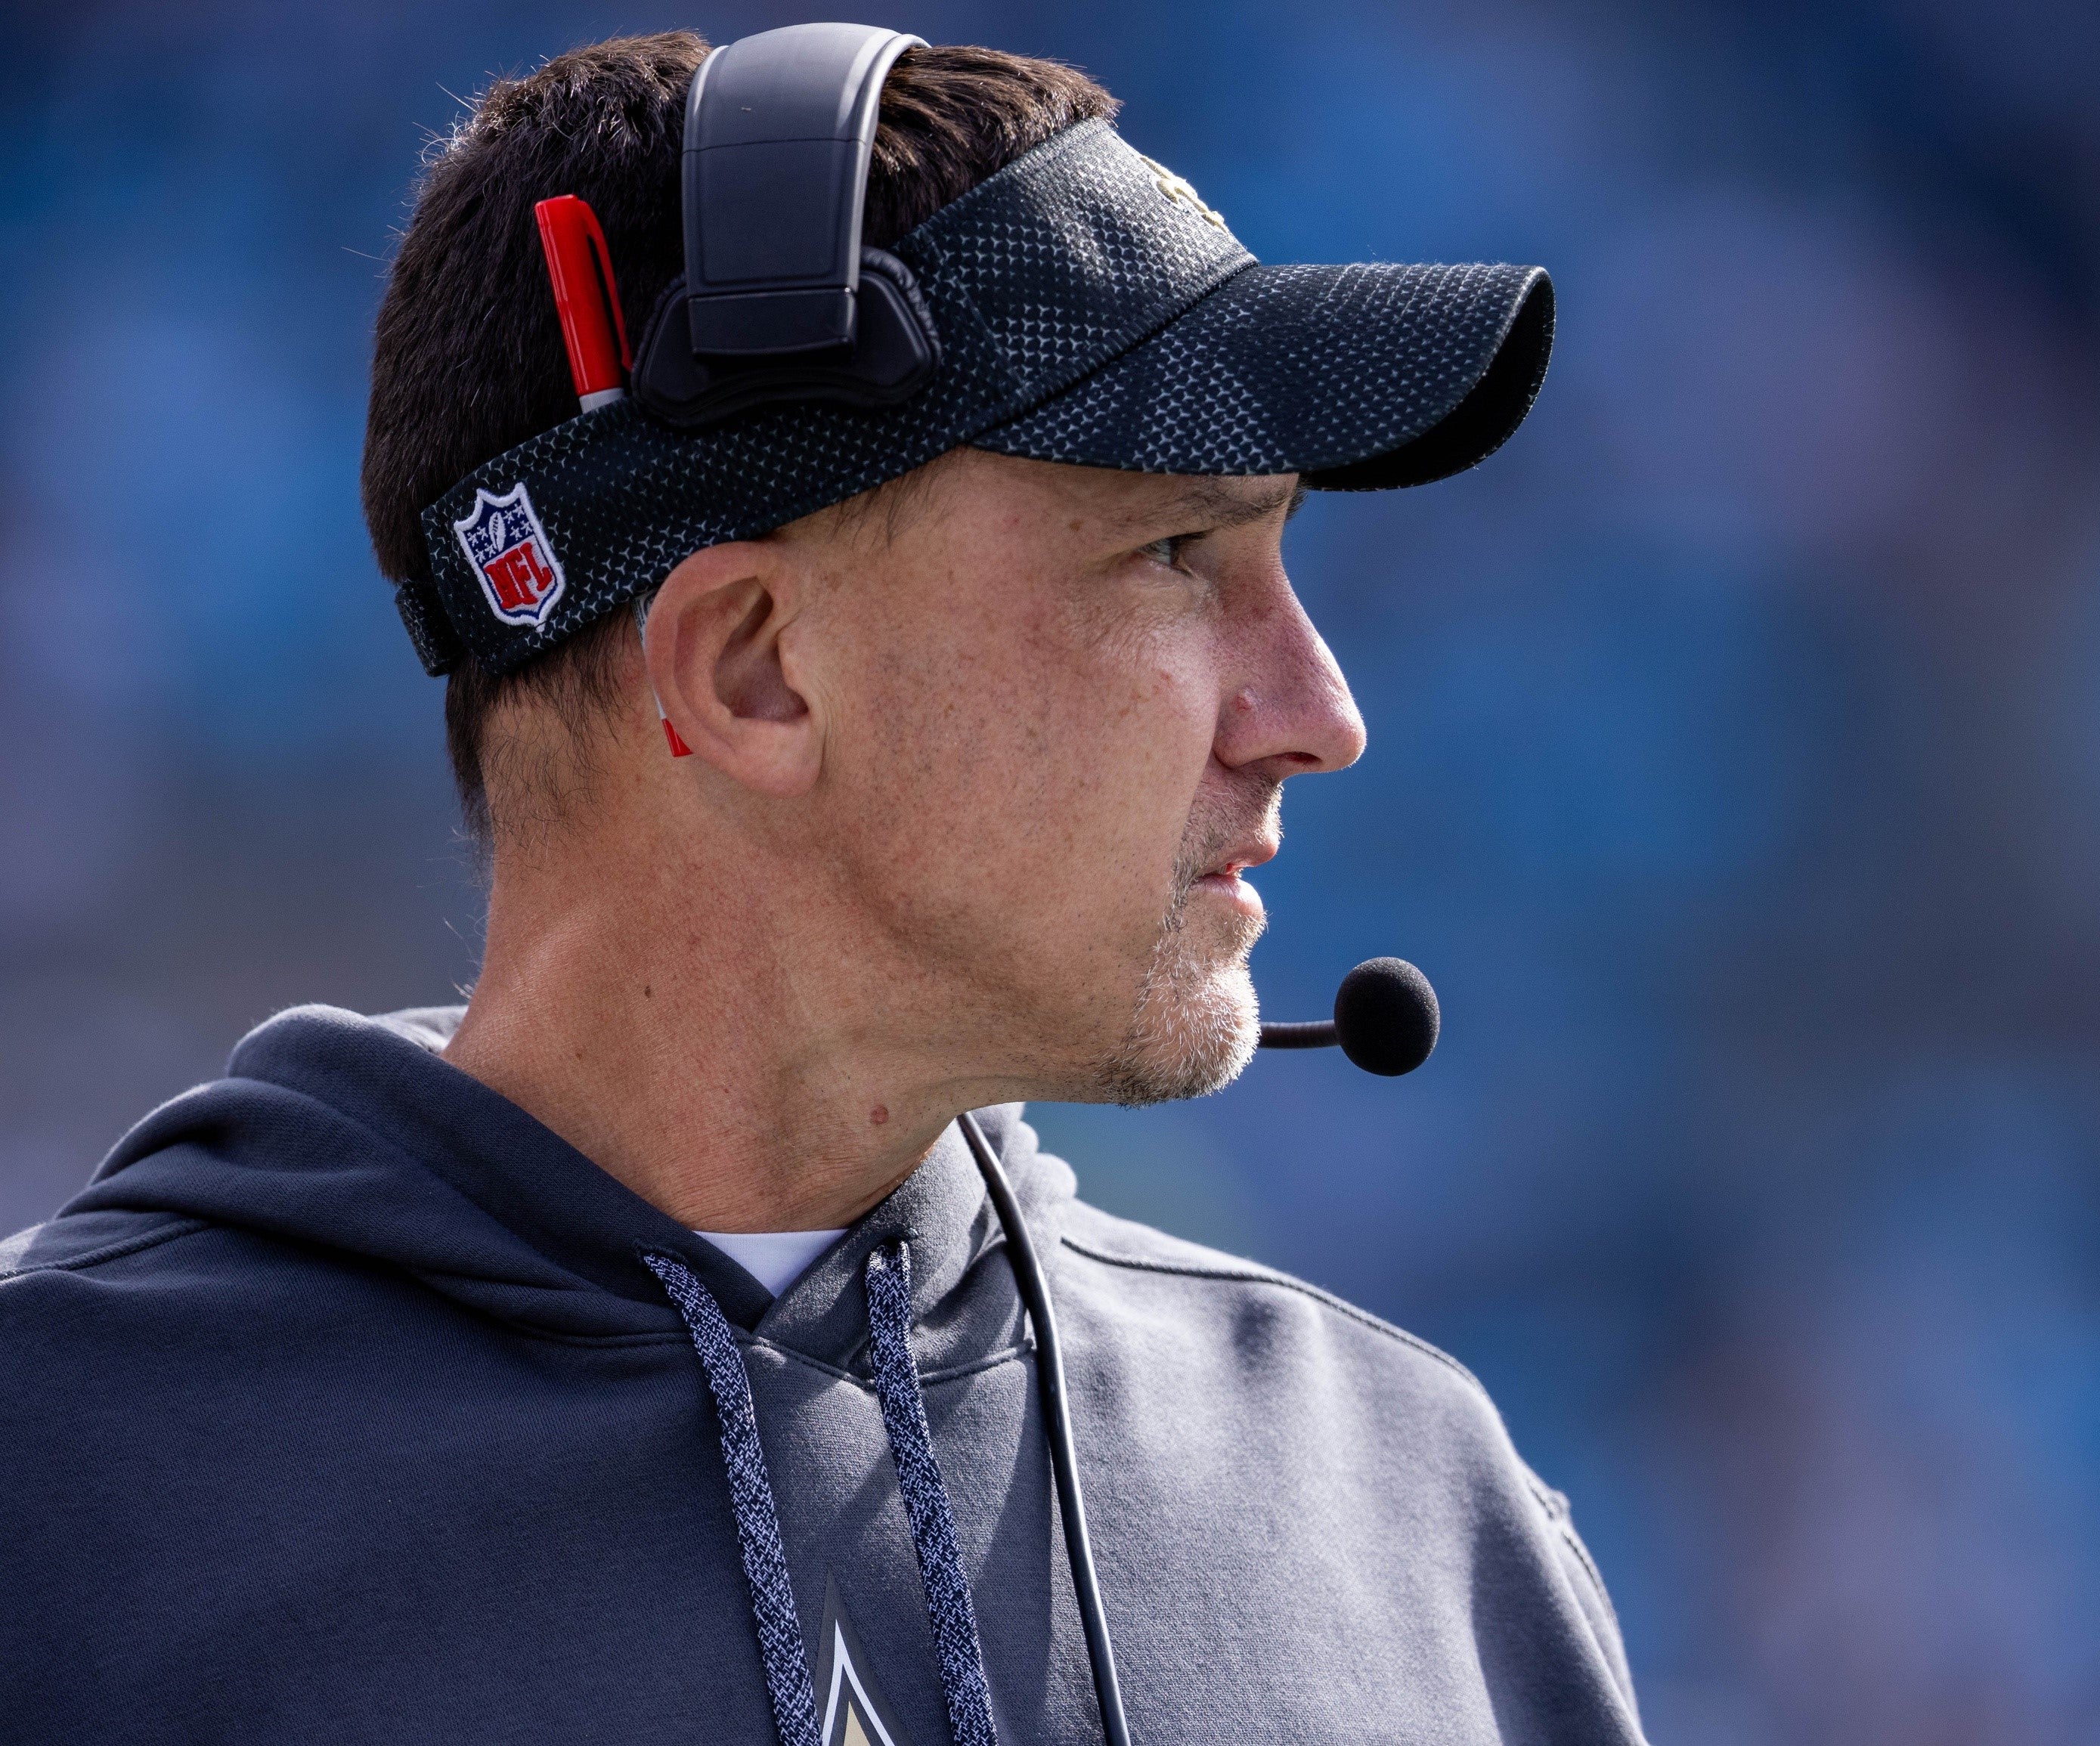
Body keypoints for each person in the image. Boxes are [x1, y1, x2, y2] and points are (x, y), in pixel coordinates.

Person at [0, 29, 1637, 1746]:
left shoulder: (1410, 1508)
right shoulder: (59, 1505)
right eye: (1173, 551)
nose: (1322, 716)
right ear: (759, 669)